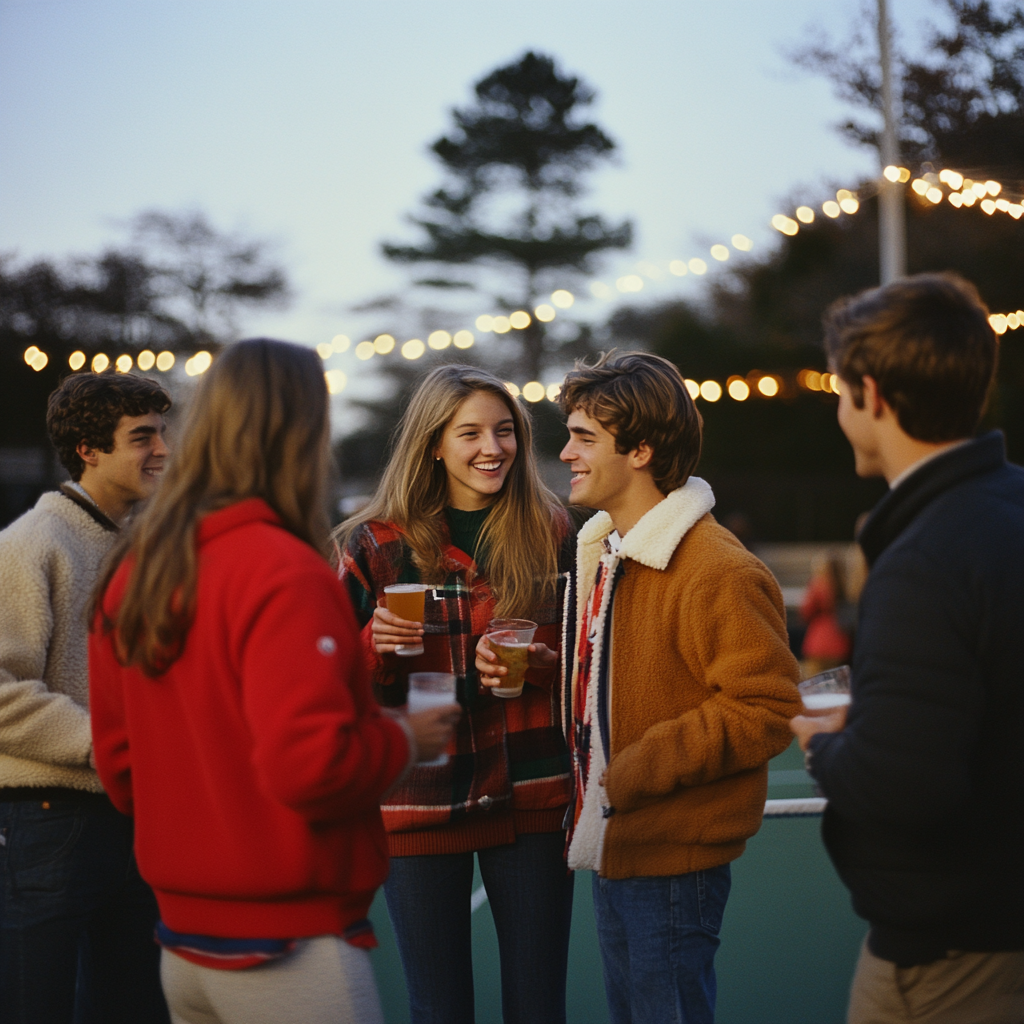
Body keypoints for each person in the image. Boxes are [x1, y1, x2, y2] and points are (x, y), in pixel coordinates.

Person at [88, 339, 459, 1024]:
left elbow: (119, 768)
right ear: (304, 432)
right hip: (288, 950)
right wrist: (403, 735)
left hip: (182, 950)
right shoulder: (283, 571)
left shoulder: (134, 568)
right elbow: (311, 766)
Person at [526, 350, 800, 1024]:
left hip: (671, 859)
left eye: (584, 437)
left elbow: (765, 707)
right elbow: (618, 678)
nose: (565, 453)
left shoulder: (716, 569)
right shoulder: (610, 555)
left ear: (642, 449)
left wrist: (635, 770)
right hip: (620, 841)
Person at [790, 273, 1024, 1024]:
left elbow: (903, 791)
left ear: (873, 395)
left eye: (839, 389)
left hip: (955, 954)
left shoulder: (926, 556)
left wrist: (825, 743)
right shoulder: (1007, 508)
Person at [336, 364, 575, 1024]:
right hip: (419, 797)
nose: (491, 448)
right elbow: (323, 683)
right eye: (469, 432)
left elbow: (588, 664)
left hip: (531, 793)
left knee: (537, 1006)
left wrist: (543, 666)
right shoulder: (376, 544)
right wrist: (370, 647)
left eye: (504, 431)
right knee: (438, 1008)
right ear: (433, 443)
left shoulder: (555, 532)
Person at [0, 370, 171, 1023]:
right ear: (89, 450)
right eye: (142, 436)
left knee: (134, 1008)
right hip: (46, 820)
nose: (162, 447)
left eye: (162, 431)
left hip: (134, 815)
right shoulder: (31, 544)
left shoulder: (147, 548)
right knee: (32, 1006)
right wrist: (107, 742)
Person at [799, 552, 853, 675]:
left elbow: (805, 612)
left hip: (818, 644)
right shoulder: (847, 586)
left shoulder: (818, 584)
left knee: (815, 686)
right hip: (841, 644)